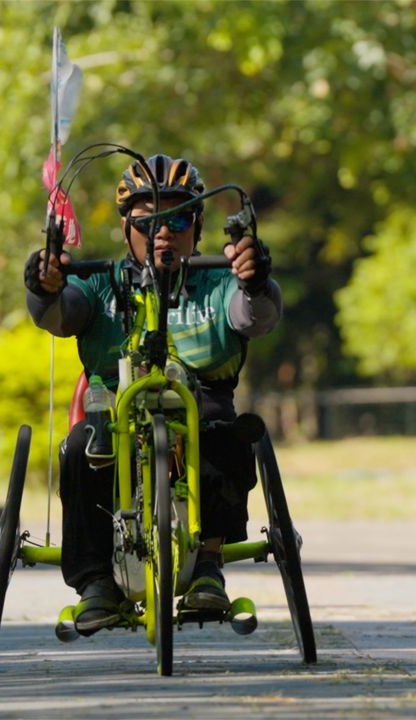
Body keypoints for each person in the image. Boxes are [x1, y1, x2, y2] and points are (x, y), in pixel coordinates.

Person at [24, 153, 282, 633]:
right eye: (148, 222)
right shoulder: (99, 284)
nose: (164, 232)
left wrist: (256, 282)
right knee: (81, 449)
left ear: (198, 226)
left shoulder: (219, 282)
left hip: (202, 401)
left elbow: (254, 317)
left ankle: (208, 566)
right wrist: (45, 288)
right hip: (114, 409)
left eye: (179, 218)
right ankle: (96, 583)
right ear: (127, 229)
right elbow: (60, 314)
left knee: (227, 434)